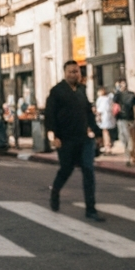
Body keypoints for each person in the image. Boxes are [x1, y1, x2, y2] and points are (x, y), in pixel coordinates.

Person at [45, 60, 106, 222]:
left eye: (77, 71)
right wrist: (53, 136)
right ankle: (55, 191)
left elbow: (88, 113)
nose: (74, 74)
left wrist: (97, 133)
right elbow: (50, 115)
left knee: (88, 170)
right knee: (66, 169)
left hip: (83, 139)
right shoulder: (57, 91)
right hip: (65, 139)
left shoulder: (81, 90)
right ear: (65, 73)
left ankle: (91, 209)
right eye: (71, 72)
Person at [114, 80, 135, 166]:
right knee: (131, 139)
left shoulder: (118, 95)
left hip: (124, 119)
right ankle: (132, 156)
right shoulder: (131, 95)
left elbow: (114, 104)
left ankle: (129, 156)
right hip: (130, 119)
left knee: (126, 139)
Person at [95, 86, 116, 154]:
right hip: (110, 117)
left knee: (105, 132)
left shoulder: (101, 99)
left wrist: (98, 116)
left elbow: (99, 109)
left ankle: (107, 146)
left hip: (104, 117)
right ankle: (108, 145)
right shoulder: (109, 98)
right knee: (107, 132)